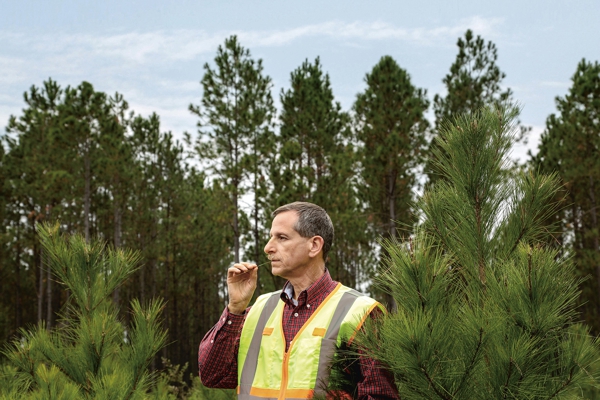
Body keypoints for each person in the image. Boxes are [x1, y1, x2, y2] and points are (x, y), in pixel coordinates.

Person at [198, 202, 398, 399]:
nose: (268, 248)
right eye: (270, 238)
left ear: (314, 245)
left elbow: (380, 395)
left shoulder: (361, 312)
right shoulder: (258, 309)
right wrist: (235, 309)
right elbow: (214, 376)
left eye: (282, 238)